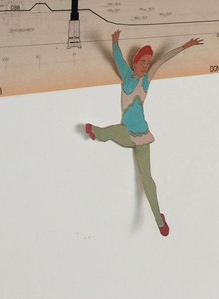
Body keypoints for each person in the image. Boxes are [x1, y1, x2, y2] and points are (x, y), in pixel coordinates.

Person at [85, 29, 203, 236]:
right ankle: (98, 133)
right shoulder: (126, 76)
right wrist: (115, 42)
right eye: (143, 62)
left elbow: (162, 60)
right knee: (113, 132)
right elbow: (118, 59)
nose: (146, 65)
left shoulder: (146, 80)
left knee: (147, 179)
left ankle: (159, 219)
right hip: (126, 131)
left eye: (148, 63)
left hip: (142, 135)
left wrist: (185, 46)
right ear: (135, 63)